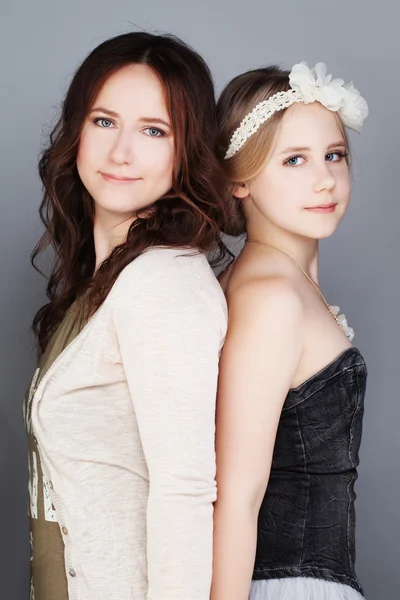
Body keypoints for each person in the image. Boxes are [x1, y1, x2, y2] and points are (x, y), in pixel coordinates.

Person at [24, 31, 231, 600]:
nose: (121, 152)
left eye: (153, 131)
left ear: (185, 151)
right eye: (104, 121)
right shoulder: (102, 285)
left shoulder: (162, 281)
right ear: (77, 132)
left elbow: (185, 490)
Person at [211, 62, 369, 599]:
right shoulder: (270, 298)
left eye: (334, 155)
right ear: (238, 179)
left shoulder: (278, 282)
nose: (324, 178)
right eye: (294, 160)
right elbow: (237, 496)